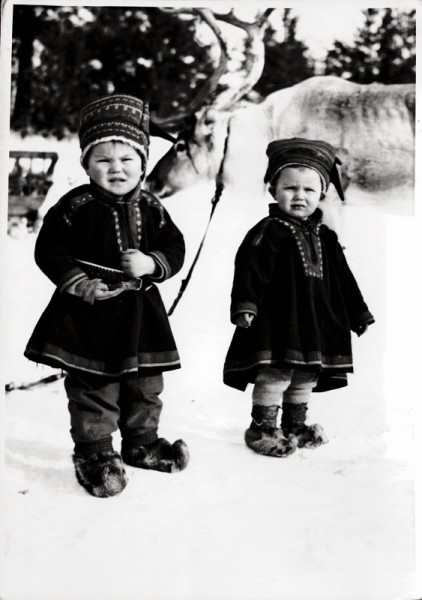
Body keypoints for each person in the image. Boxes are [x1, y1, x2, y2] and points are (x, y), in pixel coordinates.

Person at [24, 94, 189, 497]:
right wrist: (79, 282)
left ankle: (142, 443)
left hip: (141, 312)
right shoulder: (75, 206)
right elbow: (49, 249)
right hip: (88, 313)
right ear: (86, 164)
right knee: (95, 386)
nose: (116, 168)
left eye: (127, 159)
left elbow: (175, 247)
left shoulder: (153, 206)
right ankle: (96, 454)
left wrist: (152, 264)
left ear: (143, 164)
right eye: (103, 160)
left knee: (145, 383)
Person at [223, 138, 375, 457]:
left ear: (321, 194)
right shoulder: (268, 231)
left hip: (317, 320)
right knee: (277, 372)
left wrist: (358, 314)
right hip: (280, 320)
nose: (299, 196)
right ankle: (263, 428)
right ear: (273, 190)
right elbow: (249, 268)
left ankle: (294, 425)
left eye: (308, 190)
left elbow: (344, 279)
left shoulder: (327, 237)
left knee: (306, 374)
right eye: (290, 188)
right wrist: (245, 305)